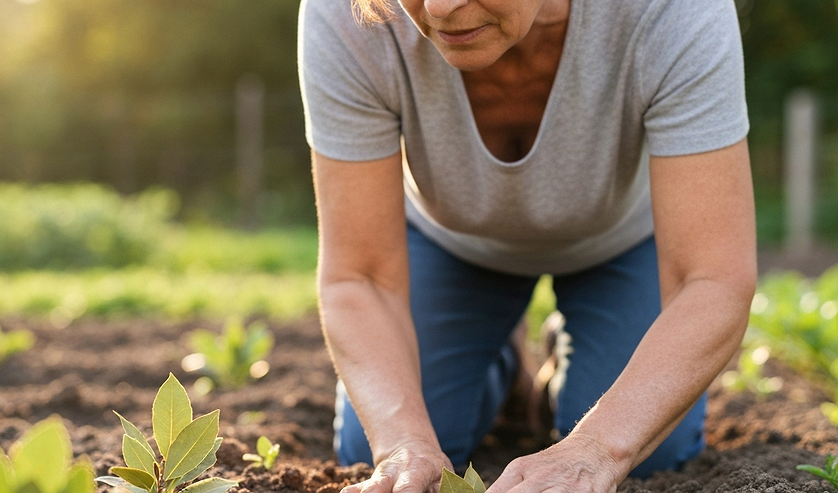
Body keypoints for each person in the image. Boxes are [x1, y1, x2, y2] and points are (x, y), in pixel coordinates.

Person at [297, 0, 757, 489]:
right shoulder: (348, 13)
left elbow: (711, 279)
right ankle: (504, 362)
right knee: (376, 457)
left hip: (618, 242)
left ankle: (565, 362)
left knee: (649, 457)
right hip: (452, 243)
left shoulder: (673, 11)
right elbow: (360, 276)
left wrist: (598, 447)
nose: (439, 6)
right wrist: (402, 444)